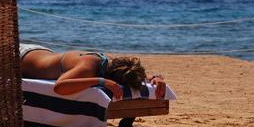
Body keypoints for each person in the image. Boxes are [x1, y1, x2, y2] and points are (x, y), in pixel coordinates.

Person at [20, 43, 166, 99]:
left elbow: (129, 72)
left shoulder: (106, 63)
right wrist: (101, 81)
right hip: (19, 57)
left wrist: (155, 77)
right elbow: (59, 87)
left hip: (38, 52)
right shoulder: (88, 68)